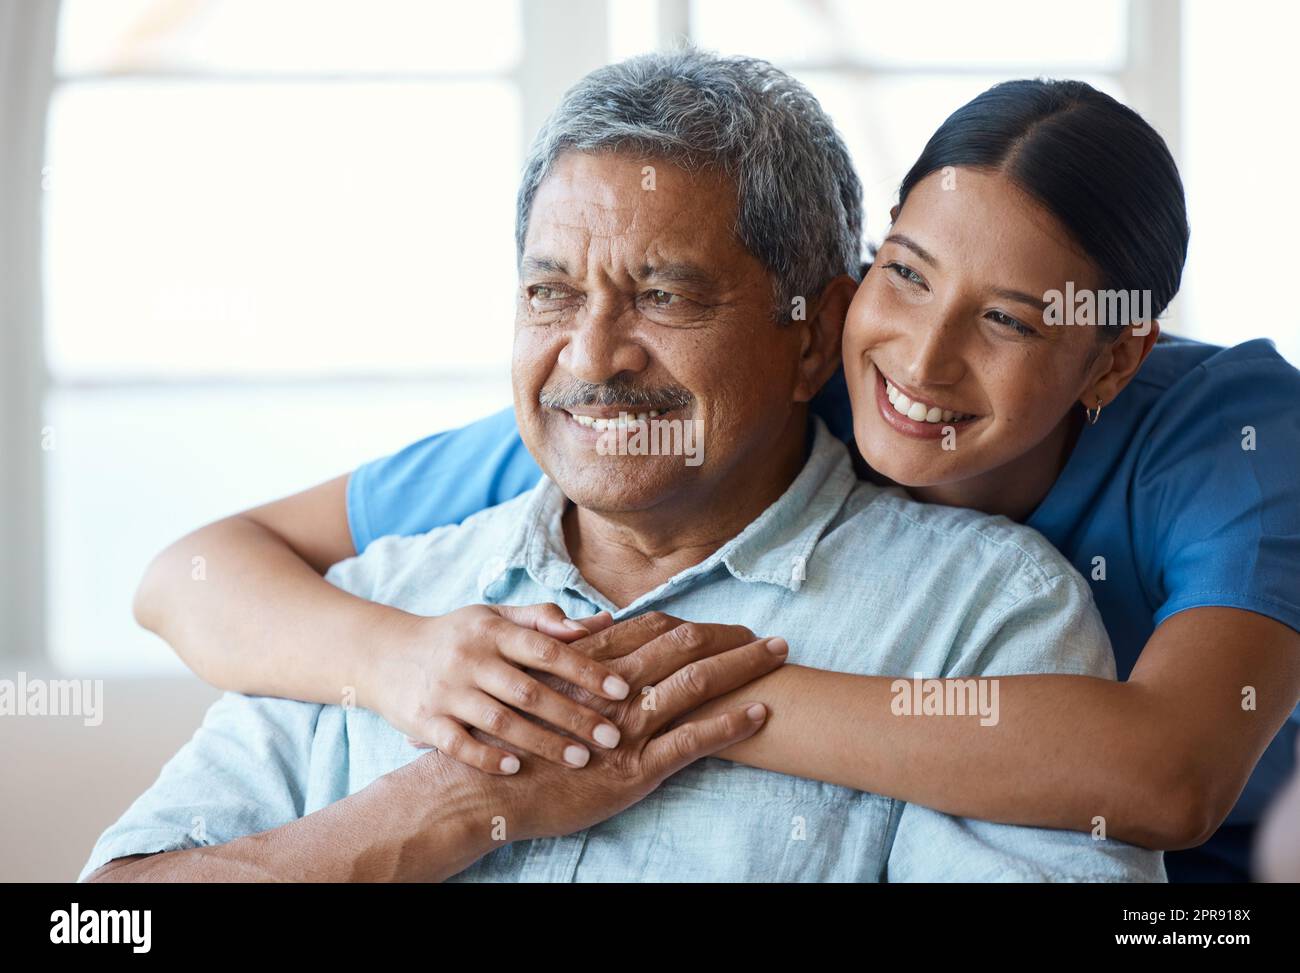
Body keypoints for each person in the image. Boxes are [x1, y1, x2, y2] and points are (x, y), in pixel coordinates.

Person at [131, 55, 1300, 882]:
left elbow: (1171, 773)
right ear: (851, 287)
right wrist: (401, 673)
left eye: (663, 296)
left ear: (1113, 354)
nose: (920, 359)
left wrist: (640, 705)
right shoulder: (586, 456)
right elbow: (184, 578)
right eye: (905, 274)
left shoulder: (1216, 450)